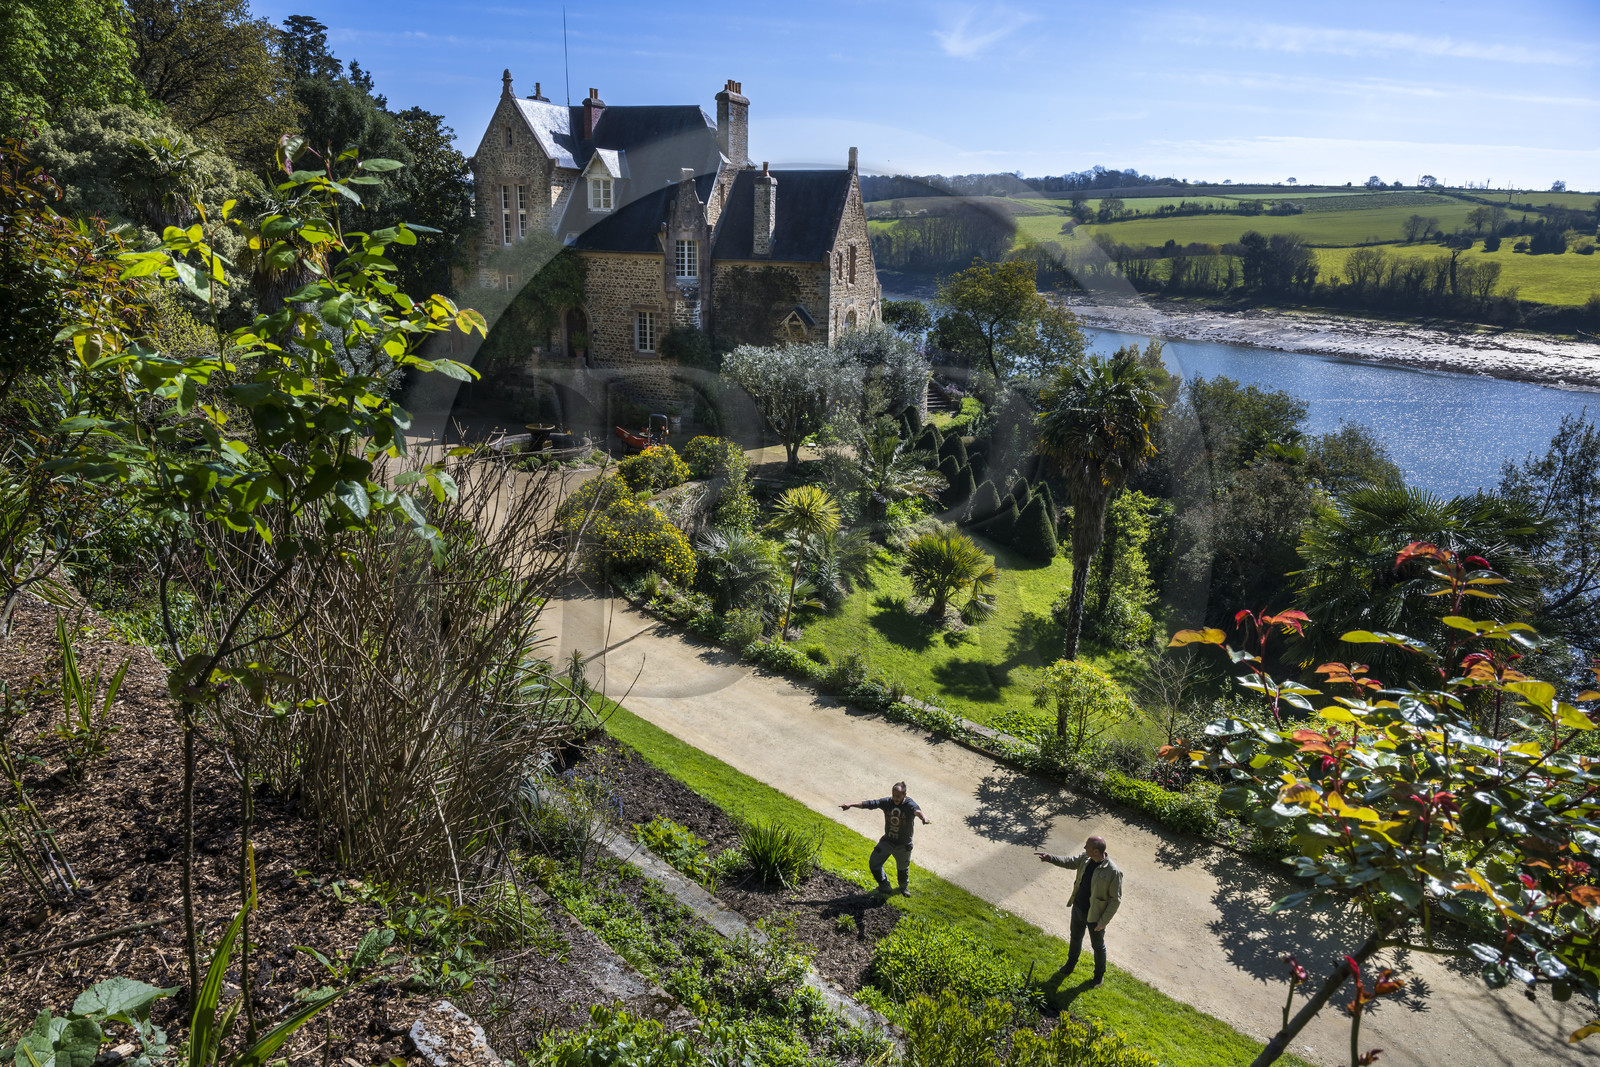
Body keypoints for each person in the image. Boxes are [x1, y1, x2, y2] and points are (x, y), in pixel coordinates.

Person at [1034, 835, 1122, 988]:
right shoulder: (1085, 859)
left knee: (1098, 946)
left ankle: (1098, 976)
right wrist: (1050, 858)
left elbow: (1115, 900)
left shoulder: (1113, 872)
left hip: (1095, 916)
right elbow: (1069, 862)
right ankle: (1070, 965)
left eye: (1087, 846)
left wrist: (1103, 921)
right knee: (1075, 938)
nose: (1084, 848)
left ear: (1095, 851)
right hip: (1078, 908)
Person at [841, 781, 930, 896]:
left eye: (898, 796)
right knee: (874, 863)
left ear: (905, 795)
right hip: (887, 841)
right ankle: (884, 886)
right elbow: (870, 804)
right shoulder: (887, 802)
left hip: (903, 846)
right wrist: (851, 804)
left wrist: (924, 817)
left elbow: (917, 811)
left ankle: (903, 888)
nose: (895, 798)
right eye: (894, 795)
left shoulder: (909, 805)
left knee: (903, 869)